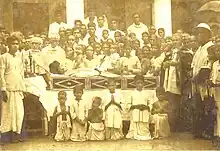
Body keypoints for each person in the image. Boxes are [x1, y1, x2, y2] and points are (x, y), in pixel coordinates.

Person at [0, 35, 26, 143]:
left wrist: (23, 88)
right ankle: (4, 136)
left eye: (17, 43)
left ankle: (16, 134)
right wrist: (3, 89)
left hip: (18, 88)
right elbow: (1, 73)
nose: (15, 46)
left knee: (19, 112)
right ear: (8, 45)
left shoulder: (20, 58)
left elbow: (21, 73)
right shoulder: (3, 57)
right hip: (8, 88)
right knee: (7, 113)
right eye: (13, 43)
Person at [191, 23, 214, 139]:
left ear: (207, 34)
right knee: (198, 107)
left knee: (207, 107)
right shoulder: (199, 48)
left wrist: (196, 79)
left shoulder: (210, 48)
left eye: (201, 33)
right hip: (196, 84)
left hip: (204, 84)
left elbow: (206, 68)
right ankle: (199, 131)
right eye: (198, 33)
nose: (199, 36)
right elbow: (194, 65)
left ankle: (207, 132)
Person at [126, 75, 152, 140]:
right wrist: (135, 106)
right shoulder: (132, 93)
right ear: (135, 83)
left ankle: (144, 133)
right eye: (138, 83)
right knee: (135, 113)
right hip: (135, 111)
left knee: (145, 115)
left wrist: (146, 107)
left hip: (144, 111)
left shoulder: (147, 93)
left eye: (141, 83)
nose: (140, 85)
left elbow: (150, 103)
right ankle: (135, 133)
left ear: (144, 83)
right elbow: (128, 104)